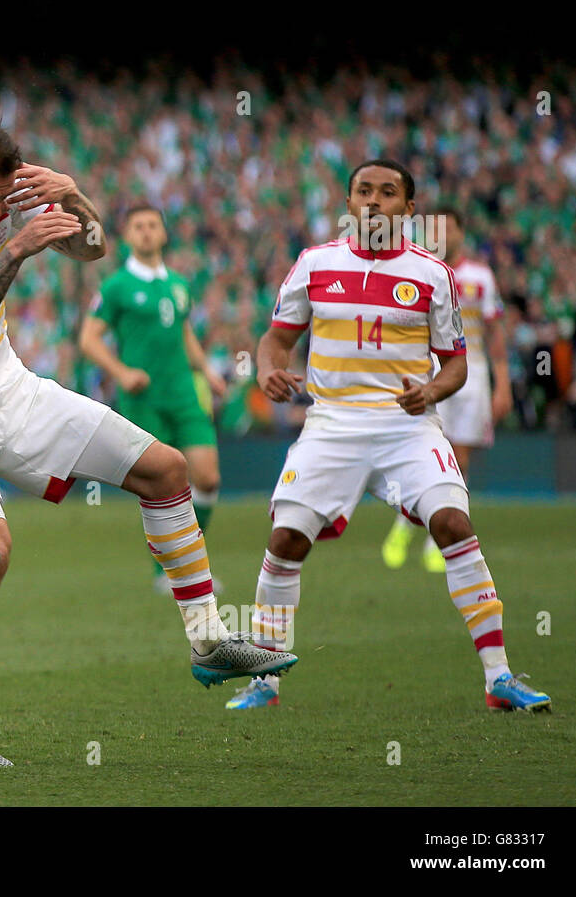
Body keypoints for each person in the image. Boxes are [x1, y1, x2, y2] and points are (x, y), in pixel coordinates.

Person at [0, 121, 297, 766]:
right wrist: (15, 250)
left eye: (3, 198)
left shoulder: (7, 192)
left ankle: (207, 638)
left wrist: (72, 198)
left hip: (14, 389)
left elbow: (92, 249)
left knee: (167, 470)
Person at [225, 159, 549, 713]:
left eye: (388, 193)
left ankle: (498, 677)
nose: (374, 201)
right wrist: (265, 369)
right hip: (332, 424)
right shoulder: (315, 264)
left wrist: (431, 392)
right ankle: (265, 681)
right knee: (285, 541)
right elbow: (275, 340)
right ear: (349, 204)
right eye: (363, 191)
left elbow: (455, 365)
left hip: (406, 425)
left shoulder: (432, 274)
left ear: (409, 209)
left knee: (452, 523)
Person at [79, 205, 225, 593]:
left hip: (183, 393)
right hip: (143, 399)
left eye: (152, 225)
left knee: (207, 477)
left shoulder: (178, 284)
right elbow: (88, 339)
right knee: (162, 486)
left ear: (163, 234)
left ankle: (190, 558)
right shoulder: (116, 286)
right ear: (127, 237)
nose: (146, 232)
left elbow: (184, 334)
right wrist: (122, 373)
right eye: (138, 226)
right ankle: (169, 572)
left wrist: (207, 371)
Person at [381, 207, 511, 572]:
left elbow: (495, 333)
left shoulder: (480, 277)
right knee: (423, 451)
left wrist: (502, 384)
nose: (442, 235)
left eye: (448, 228)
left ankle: (437, 538)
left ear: (460, 233)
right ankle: (407, 522)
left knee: (460, 458)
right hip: (430, 369)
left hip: (474, 371)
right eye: (435, 228)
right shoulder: (418, 272)